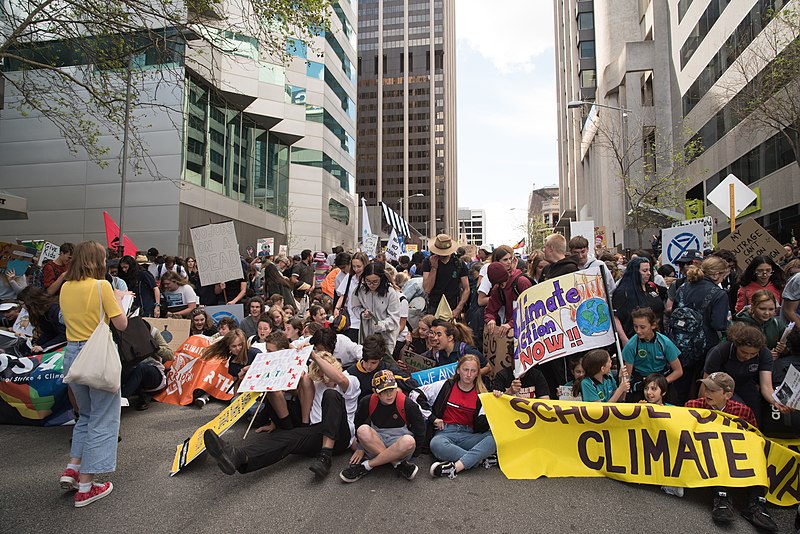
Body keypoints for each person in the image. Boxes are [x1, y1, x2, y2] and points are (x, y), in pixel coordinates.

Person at [203, 350, 360, 478]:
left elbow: (338, 378)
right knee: (286, 438)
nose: (325, 381)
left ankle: (326, 456)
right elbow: (282, 375)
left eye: (326, 376)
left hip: (341, 435)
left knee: (331, 395)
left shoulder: (350, 380)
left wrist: (314, 355)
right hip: (317, 432)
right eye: (321, 377)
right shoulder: (317, 384)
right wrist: (250, 370)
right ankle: (239, 457)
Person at [58, 241, 128, 507]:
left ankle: (73, 468)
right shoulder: (103, 286)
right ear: (97, 261)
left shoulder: (65, 287)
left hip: (72, 356)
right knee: (104, 418)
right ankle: (86, 486)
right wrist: (120, 300)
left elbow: (64, 319)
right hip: (97, 356)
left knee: (84, 416)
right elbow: (120, 323)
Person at [685, 372, 778, 531]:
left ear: (727, 395)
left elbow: (755, 437)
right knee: (715, 447)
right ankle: (721, 497)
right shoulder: (692, 406)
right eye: (706, 388)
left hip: (737, 455)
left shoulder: (743, 412)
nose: (707, 393)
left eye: (713, 390)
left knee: (756, 449)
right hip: (708, 452)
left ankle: (757, 503)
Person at [339, 369, 425, 483]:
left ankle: (367, 466)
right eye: (384, 391)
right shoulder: (367, 401)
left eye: (391, 389)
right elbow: (358, 423)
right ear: (375, 391)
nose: (389, 394)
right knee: (362, 430)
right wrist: (360, 447)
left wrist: (415, 455)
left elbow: (420, 429)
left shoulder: (407, 404)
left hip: (399, 444)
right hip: (377, 440)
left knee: (409, 441)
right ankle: (397, 464)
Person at [669, 255, 730, 404]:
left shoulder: (683, 287)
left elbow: (674, 311)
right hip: (706, 346)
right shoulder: (719, 294)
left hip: (680, 344)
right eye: (723, 276)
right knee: (704, 386)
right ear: (716, 274)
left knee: (681, 389)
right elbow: (718, 324)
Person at [703, 322, 788, 426]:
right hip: (721, 386)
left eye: (753, 354)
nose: (747, 357)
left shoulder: (764, 354)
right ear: (736, 345)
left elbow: (766, 386)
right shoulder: (720, 352)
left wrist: (776, 402)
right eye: (743, 352)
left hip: (746, 384)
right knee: (738, 410)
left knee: (755, 413)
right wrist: (702, 404)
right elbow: (706, 383)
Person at [426, 355, 496, 478]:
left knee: (495, 438)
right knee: (435, 444)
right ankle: (478, 459)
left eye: (473, 371)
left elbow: (486, 423)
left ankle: (455, 467)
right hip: (445, 432)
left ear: (477, 374)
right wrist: (433, 418)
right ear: (458, 370)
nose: (469, 374)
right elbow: (416, 394)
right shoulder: (446, 385)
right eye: (465, 370)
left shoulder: (482, 394)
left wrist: (498, 398)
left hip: (468, 435)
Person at [621, 306, 683, 402]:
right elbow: (627, 376)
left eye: (642, 327)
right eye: (635, 326)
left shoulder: (665, 343)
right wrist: (623, 398)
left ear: (653, 325)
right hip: (641, 382)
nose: (638, 331)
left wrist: (660, 383)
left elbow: (678, 371)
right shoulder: (631, 346)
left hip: (662, 380)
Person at [612, 257, 665, 345]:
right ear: (635, 272)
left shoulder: (651, 287)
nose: (648, 273)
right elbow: (615, 316)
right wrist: (624, 339)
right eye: (644, 271)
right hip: (634, 340)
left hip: (657, 338)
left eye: (649, 270)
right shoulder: (623, 292)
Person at [352, 261, 401, 350]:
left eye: (375, 282)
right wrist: (363, 313)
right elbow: (355, 307)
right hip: (367, 336)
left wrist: (381, 325)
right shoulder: (360, 290)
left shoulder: (390, 293)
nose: (371, 285)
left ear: (381, 279)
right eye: (368, 281)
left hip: (386, 338)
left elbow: (395, 318)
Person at [422, 234, 469, 319]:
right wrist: (434, 268)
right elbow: (427, 289)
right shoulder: (428, 262)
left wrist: (459, 308)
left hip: (452, 306)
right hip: (434, 306)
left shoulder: (458, 263)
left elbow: (466, 288)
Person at [733, 290, 788, 357]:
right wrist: (764, 356)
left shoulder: (777, 324)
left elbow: (790, 349)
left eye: (771, 309)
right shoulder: (741, 325)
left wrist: (783, 350)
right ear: (753, 306)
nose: (767, 313)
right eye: (762, 309)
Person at [484, 261, 532, 336]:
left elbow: (530, 309)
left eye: (502, 284)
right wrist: (490, 320)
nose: (500, 286)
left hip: (527, 327)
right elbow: (490, 309)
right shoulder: (497, 289)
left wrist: (511, 324)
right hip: (511, 327)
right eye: (497, 284)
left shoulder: (522, 282)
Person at [17, 286, 67, 352]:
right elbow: (49, 332)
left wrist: (43, 347)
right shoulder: (41, 313)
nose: (22, 307)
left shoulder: (54, 310)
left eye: (22, 304)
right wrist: (36, 343)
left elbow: (64, 334)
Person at [334, 252, 368, 342]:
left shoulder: (370, 279)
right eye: (354, 266)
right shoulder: (350, 277)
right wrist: (337, 308)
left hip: (366, 321)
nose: (356, 269)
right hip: (351, 321)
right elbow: (342, 294)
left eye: (359, 266)